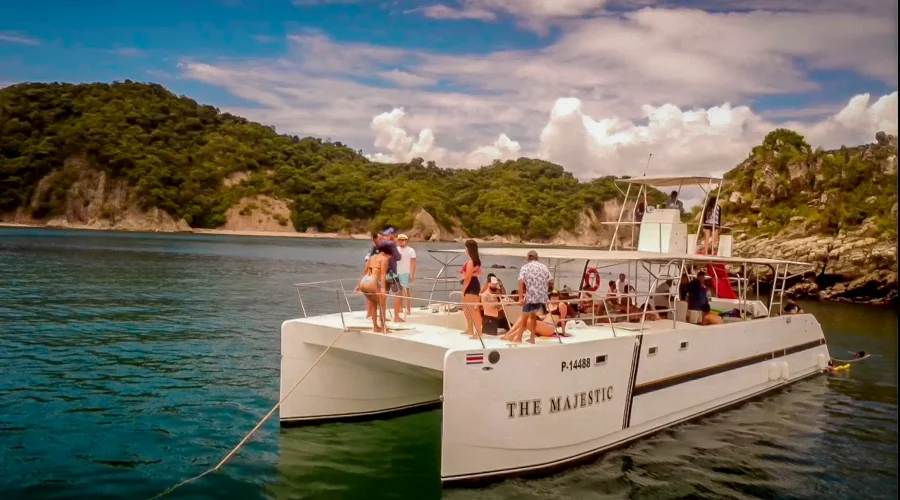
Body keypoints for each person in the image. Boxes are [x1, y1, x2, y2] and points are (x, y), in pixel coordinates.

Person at [502, 249, 551, 344]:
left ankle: (518, 338)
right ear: (537, 258)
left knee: (524, 318)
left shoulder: (525, 267)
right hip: (541, 297)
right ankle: (532, 338)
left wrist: (520, 298)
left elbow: (520, 283)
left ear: (528, 258)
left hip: (531, 297)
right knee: (533, 317)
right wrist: (545, 291)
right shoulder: (544, 267)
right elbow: (551, 281)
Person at [357, 241, 393, 333]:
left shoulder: (372, 257)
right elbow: (382, 275)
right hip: (372, 281)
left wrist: (358, 285)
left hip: (364, 281)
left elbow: (365, 271)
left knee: (373, 303)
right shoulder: (384, 259)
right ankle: (384, 328)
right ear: (386, 253)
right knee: (382, 303)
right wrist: (383, 289)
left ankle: (375, 327)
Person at [460, 239, 483, 338]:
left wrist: (463, 290)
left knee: (473, 310)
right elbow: (478, 273)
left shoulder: (470, 262)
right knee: (466, 309)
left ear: (468, 249)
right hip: (473, 284)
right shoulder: (475, 261)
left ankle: (478, 332)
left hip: (471, 286)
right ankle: (469, 329)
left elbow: (468, 277)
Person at [395, 234, 417, 319]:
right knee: (398, 292)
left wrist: (412, 274)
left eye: (403, 240)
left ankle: (408, 308)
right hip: (397, 273)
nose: (401, 241)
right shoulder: (396, 249)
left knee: (406, 291)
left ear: (406, 241)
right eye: (400, 240)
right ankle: (399, 308)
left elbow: (413, 263)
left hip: (406, 272)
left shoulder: (411, 250)